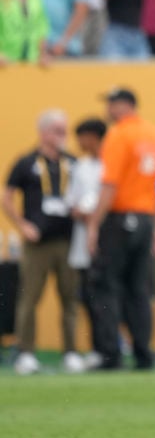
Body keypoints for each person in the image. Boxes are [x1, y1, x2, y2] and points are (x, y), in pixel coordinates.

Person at [87, 89, 155, 370]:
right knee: (139, 289)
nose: (108, 109)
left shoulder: (119, 135)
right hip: (145, 219)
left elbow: (110, 184)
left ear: (123, 106)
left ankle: (111, 354)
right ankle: (144, 354)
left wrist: (94, 224)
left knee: (107, 285)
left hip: (120, 218)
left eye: (111, 104)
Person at [2, 109, 82, 375]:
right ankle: (26, 353)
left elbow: (83, 194)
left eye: (64, 131)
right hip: (37, 242)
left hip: (68, 239)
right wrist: (22, 225)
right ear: (44, 132)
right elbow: (6, 196)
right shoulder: (26, 162)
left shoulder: (72, 162)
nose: (62, 136)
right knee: (29, 297)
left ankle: (71, 352)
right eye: (57, 130)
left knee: (70, 298)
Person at [65, 117, 106, 370]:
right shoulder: (79, 166)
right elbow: (71, 203)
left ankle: (111, 346)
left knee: (110, 296)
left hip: (110, 240)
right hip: (83, 242)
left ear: (92, 137)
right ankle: (96, 348)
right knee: (90, 297)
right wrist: (82, 212)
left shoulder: (111, 164)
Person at [0, 0, 49, 66]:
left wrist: (43, 54)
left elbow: (41, 28)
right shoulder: (3, 0)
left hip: (32, 59)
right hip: (8, 59)